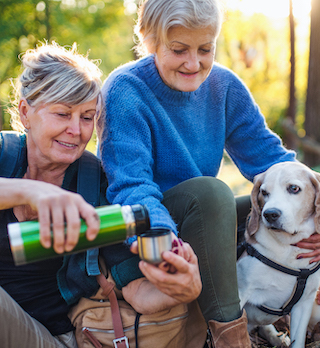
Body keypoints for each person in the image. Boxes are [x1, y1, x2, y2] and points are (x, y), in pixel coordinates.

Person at [97, 0, 297, 346]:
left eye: (206, 48)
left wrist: (314, 216)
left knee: (263, 210)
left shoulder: (223, 86)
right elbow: (132, 189)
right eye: (179, 50)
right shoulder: (125, 92)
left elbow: (272, 162)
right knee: (212, 193)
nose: (194, 63)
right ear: (151, 43)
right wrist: (166, 244)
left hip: (199, 227)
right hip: (145, 236)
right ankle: (229, 336)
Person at [0, 41, 201, 348]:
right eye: (62, 114)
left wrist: (181, 290)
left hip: (52, 337)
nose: (76, 130)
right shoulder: (4, 153)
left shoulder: (95, 182)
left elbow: (136, 290)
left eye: (86, 117)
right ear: (26, 113)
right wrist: (31, 190)